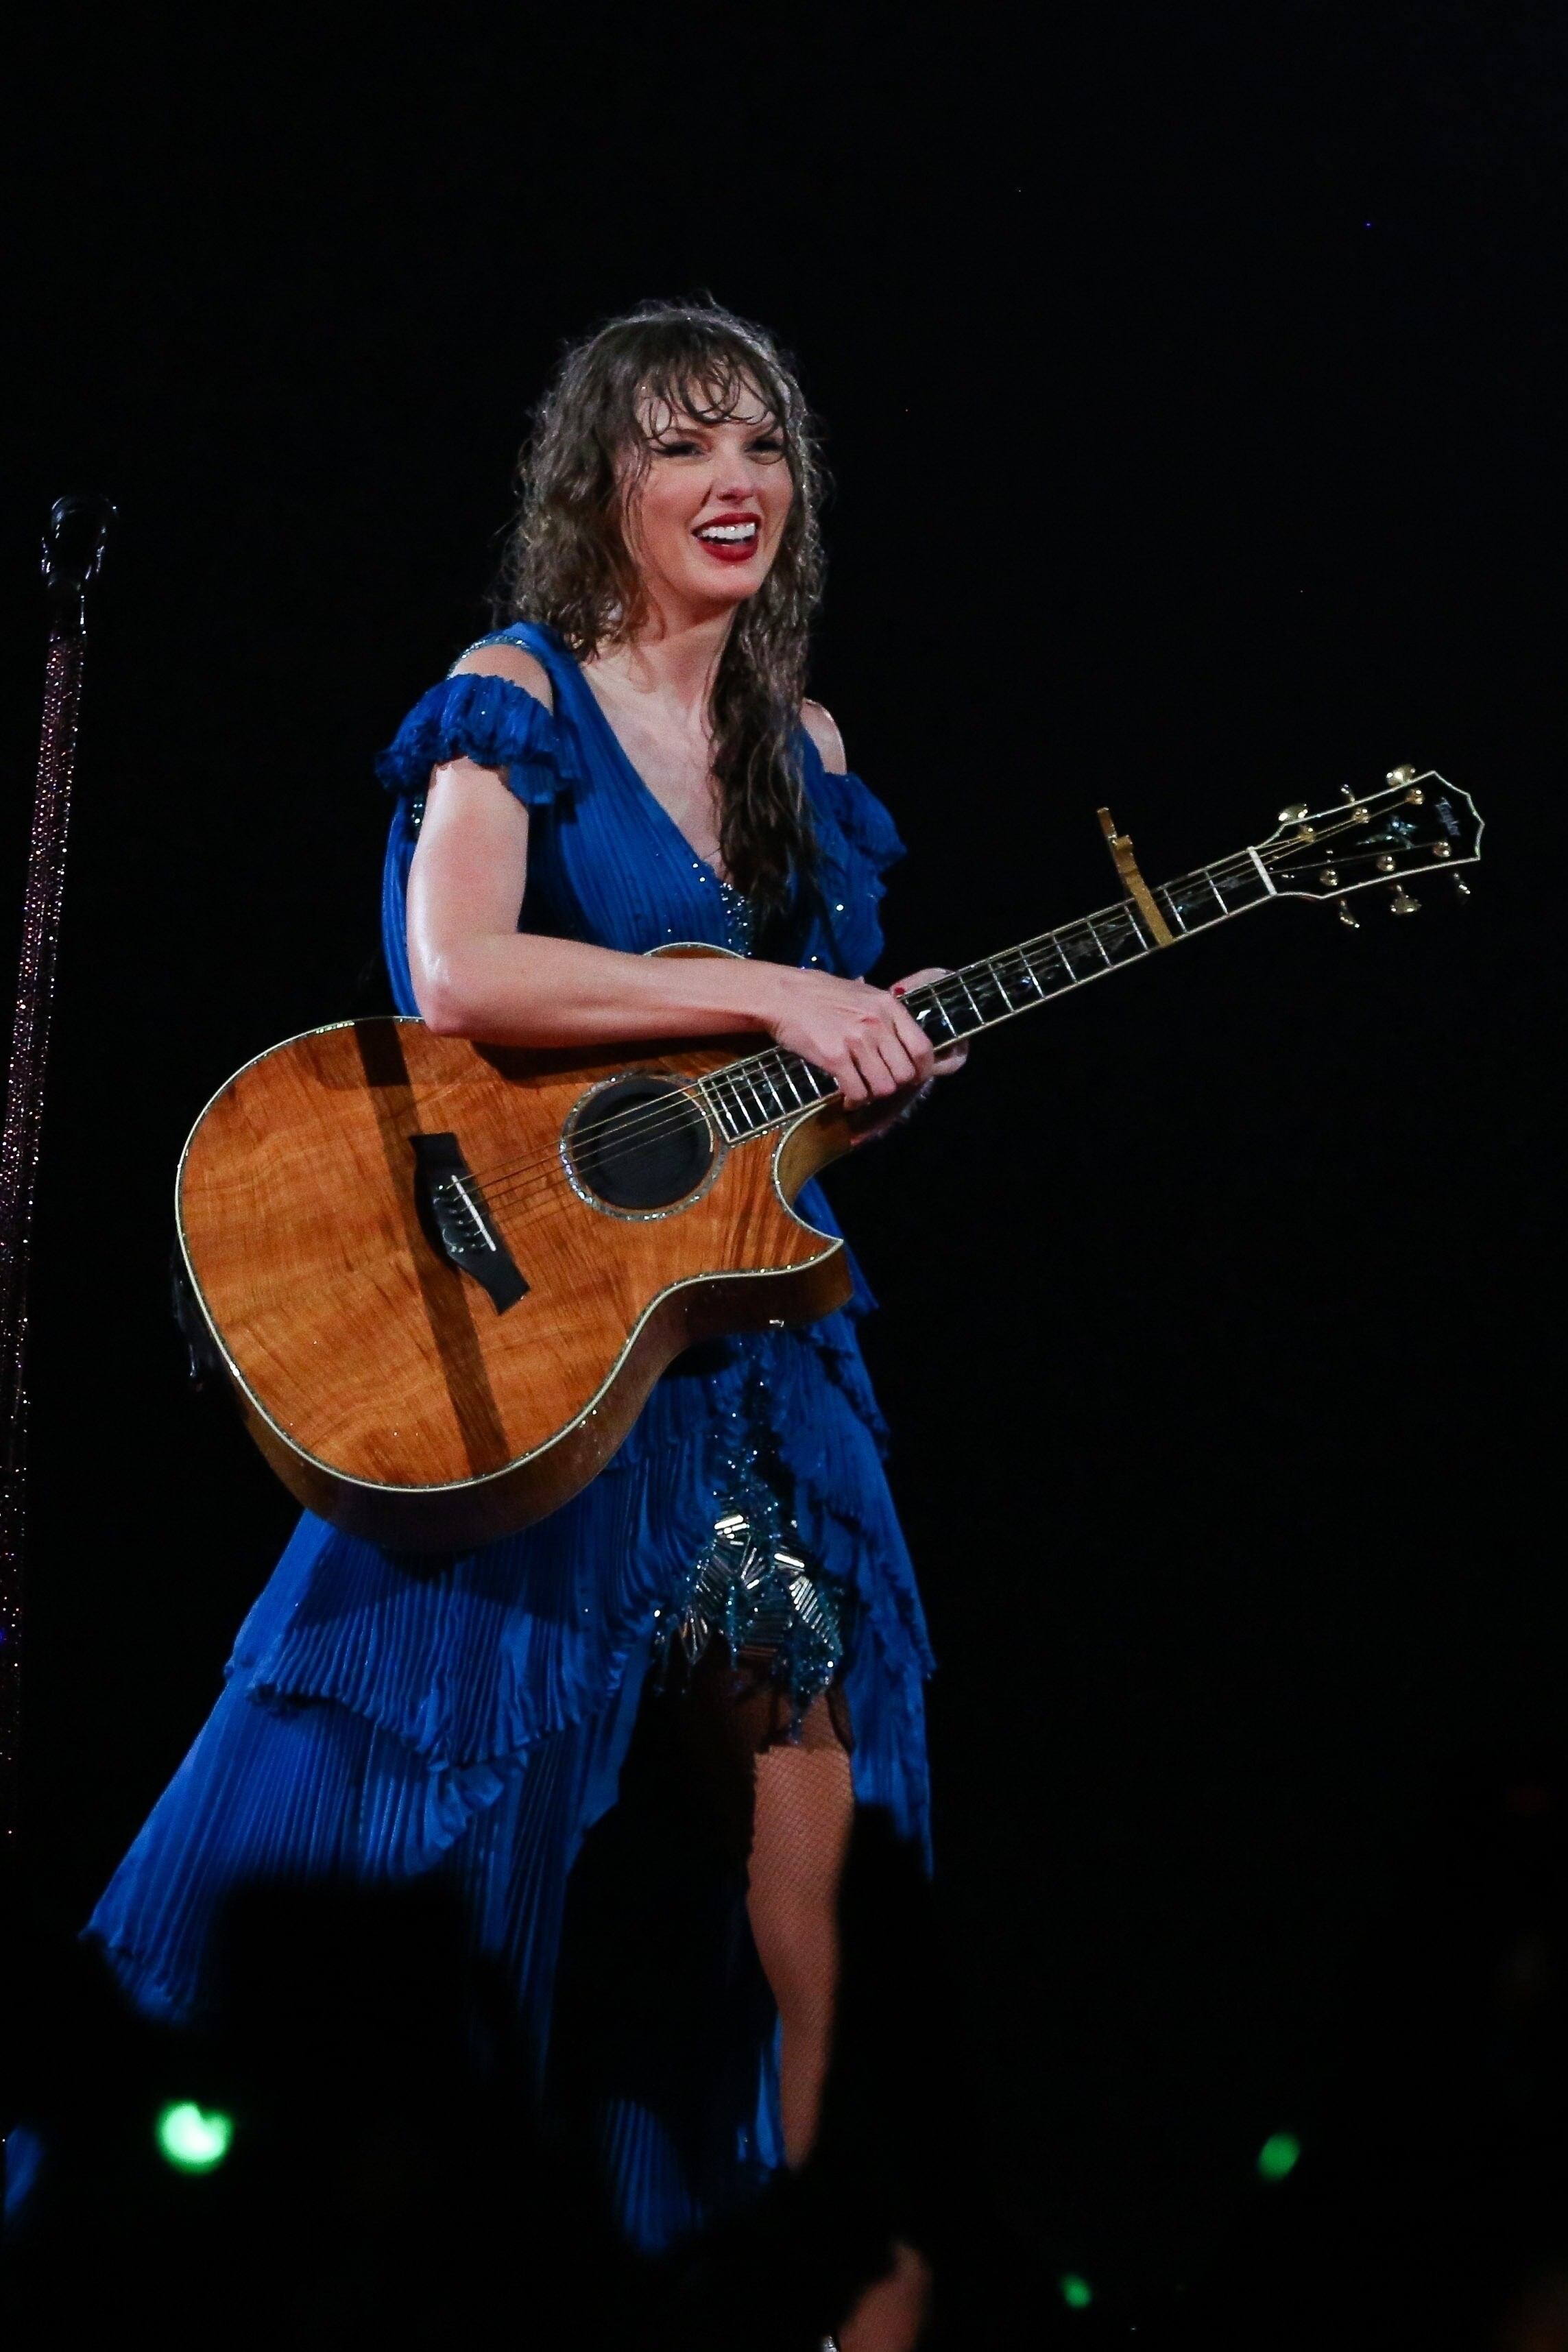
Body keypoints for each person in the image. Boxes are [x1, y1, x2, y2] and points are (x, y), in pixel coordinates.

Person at [89, 300, 963, 2349]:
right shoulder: (519, 694)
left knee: (831, 1903)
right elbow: (462, 971)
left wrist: (869, 1070)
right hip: (538, 1354)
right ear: (602, 482)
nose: (733, 481)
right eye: (682, 445)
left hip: (760, 1372)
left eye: (761, 443)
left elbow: (775, 1107)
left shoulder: (810, 751)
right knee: (407, 1836)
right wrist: (773, 991)